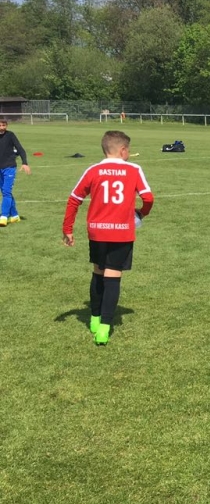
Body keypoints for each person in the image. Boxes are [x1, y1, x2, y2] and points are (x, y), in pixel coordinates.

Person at [61, 130, 154, 345]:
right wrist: (142, 213)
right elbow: (148, 198)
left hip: (97, 231)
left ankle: (94, 319)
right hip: (121, 231)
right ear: (123, 150)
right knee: (113, 276)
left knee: (98, 272)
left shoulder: (93, 170)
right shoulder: (134, 169)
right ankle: (104, 327)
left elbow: (74, 199)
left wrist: (67, 228)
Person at [0, 118, 31, 227]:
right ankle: (15, 215)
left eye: (4, 125)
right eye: (0, 125)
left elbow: (20, 149)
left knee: (6, 191)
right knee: (5, 192)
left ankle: (3, 216)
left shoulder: (10, 135)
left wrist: (24, 163)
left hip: (9, 167)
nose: (2, 128)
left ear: (6, 126)